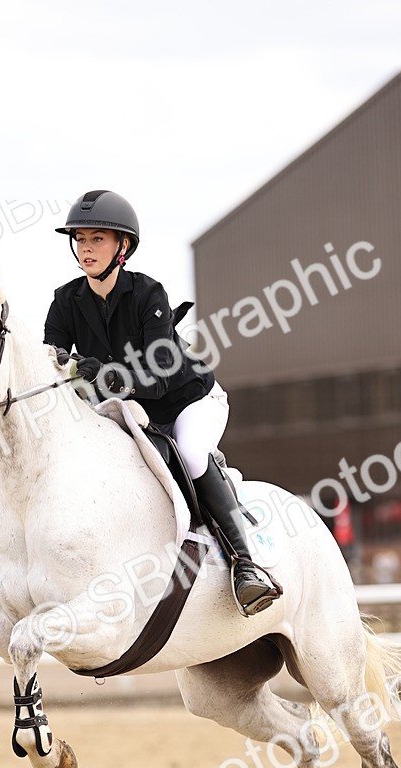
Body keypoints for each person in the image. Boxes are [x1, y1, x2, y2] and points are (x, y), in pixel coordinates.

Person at [43, 189, 281, 617]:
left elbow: (158, 379)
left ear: (123, 247)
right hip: (132, 413)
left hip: (188, 401)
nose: (86, 248)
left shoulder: (149, 295)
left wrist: (103, 372)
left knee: (189, 455)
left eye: (97, 239)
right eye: (80, 239)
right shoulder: (65, 301)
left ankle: (247, 566)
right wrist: (57, 367)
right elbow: (53, 364)